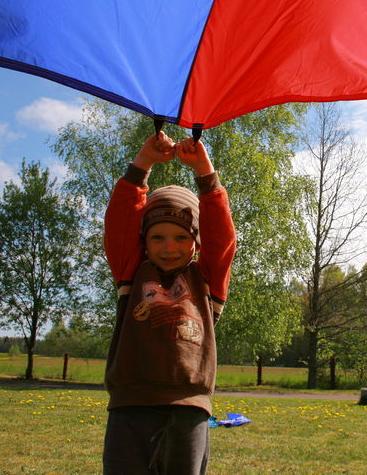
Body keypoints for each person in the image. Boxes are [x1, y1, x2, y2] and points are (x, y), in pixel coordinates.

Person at [102, 131, 236, 475]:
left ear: (196, 243)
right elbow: (120, 221)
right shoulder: (133, 273)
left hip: (188, 409)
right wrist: (142, 164)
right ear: (143, 241)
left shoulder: (206, 279)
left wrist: (205, 173)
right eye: (157, 237)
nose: (169, 246)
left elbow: (221, 234)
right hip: (130, 406)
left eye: (181, 237)